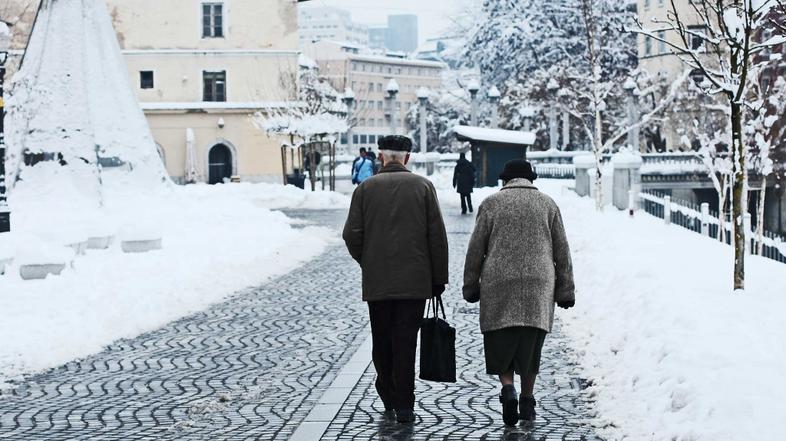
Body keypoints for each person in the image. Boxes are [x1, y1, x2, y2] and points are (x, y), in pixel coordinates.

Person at [343, 135, 449, 424]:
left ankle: (387, 389)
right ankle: (405, 403)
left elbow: (351, 234)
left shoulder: (365, 189)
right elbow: (436, 236)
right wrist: (437, 278)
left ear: (381, 157)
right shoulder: (423, 187)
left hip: (378, 283)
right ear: (407, 158)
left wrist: (369, 262)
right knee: (406, 341)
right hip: (414, 283)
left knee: (382, 338)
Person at [462, 159, 575, 427]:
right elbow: (562, 251)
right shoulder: (548, 204)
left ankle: (508, 388)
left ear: (506, 180)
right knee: (530, 344)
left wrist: (470, 286)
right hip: (539, 282)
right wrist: (566, 290)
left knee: (501, 339)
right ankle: (527, 397)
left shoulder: (491, 204)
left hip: (499, 281)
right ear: (531, 179)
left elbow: (475, 249)